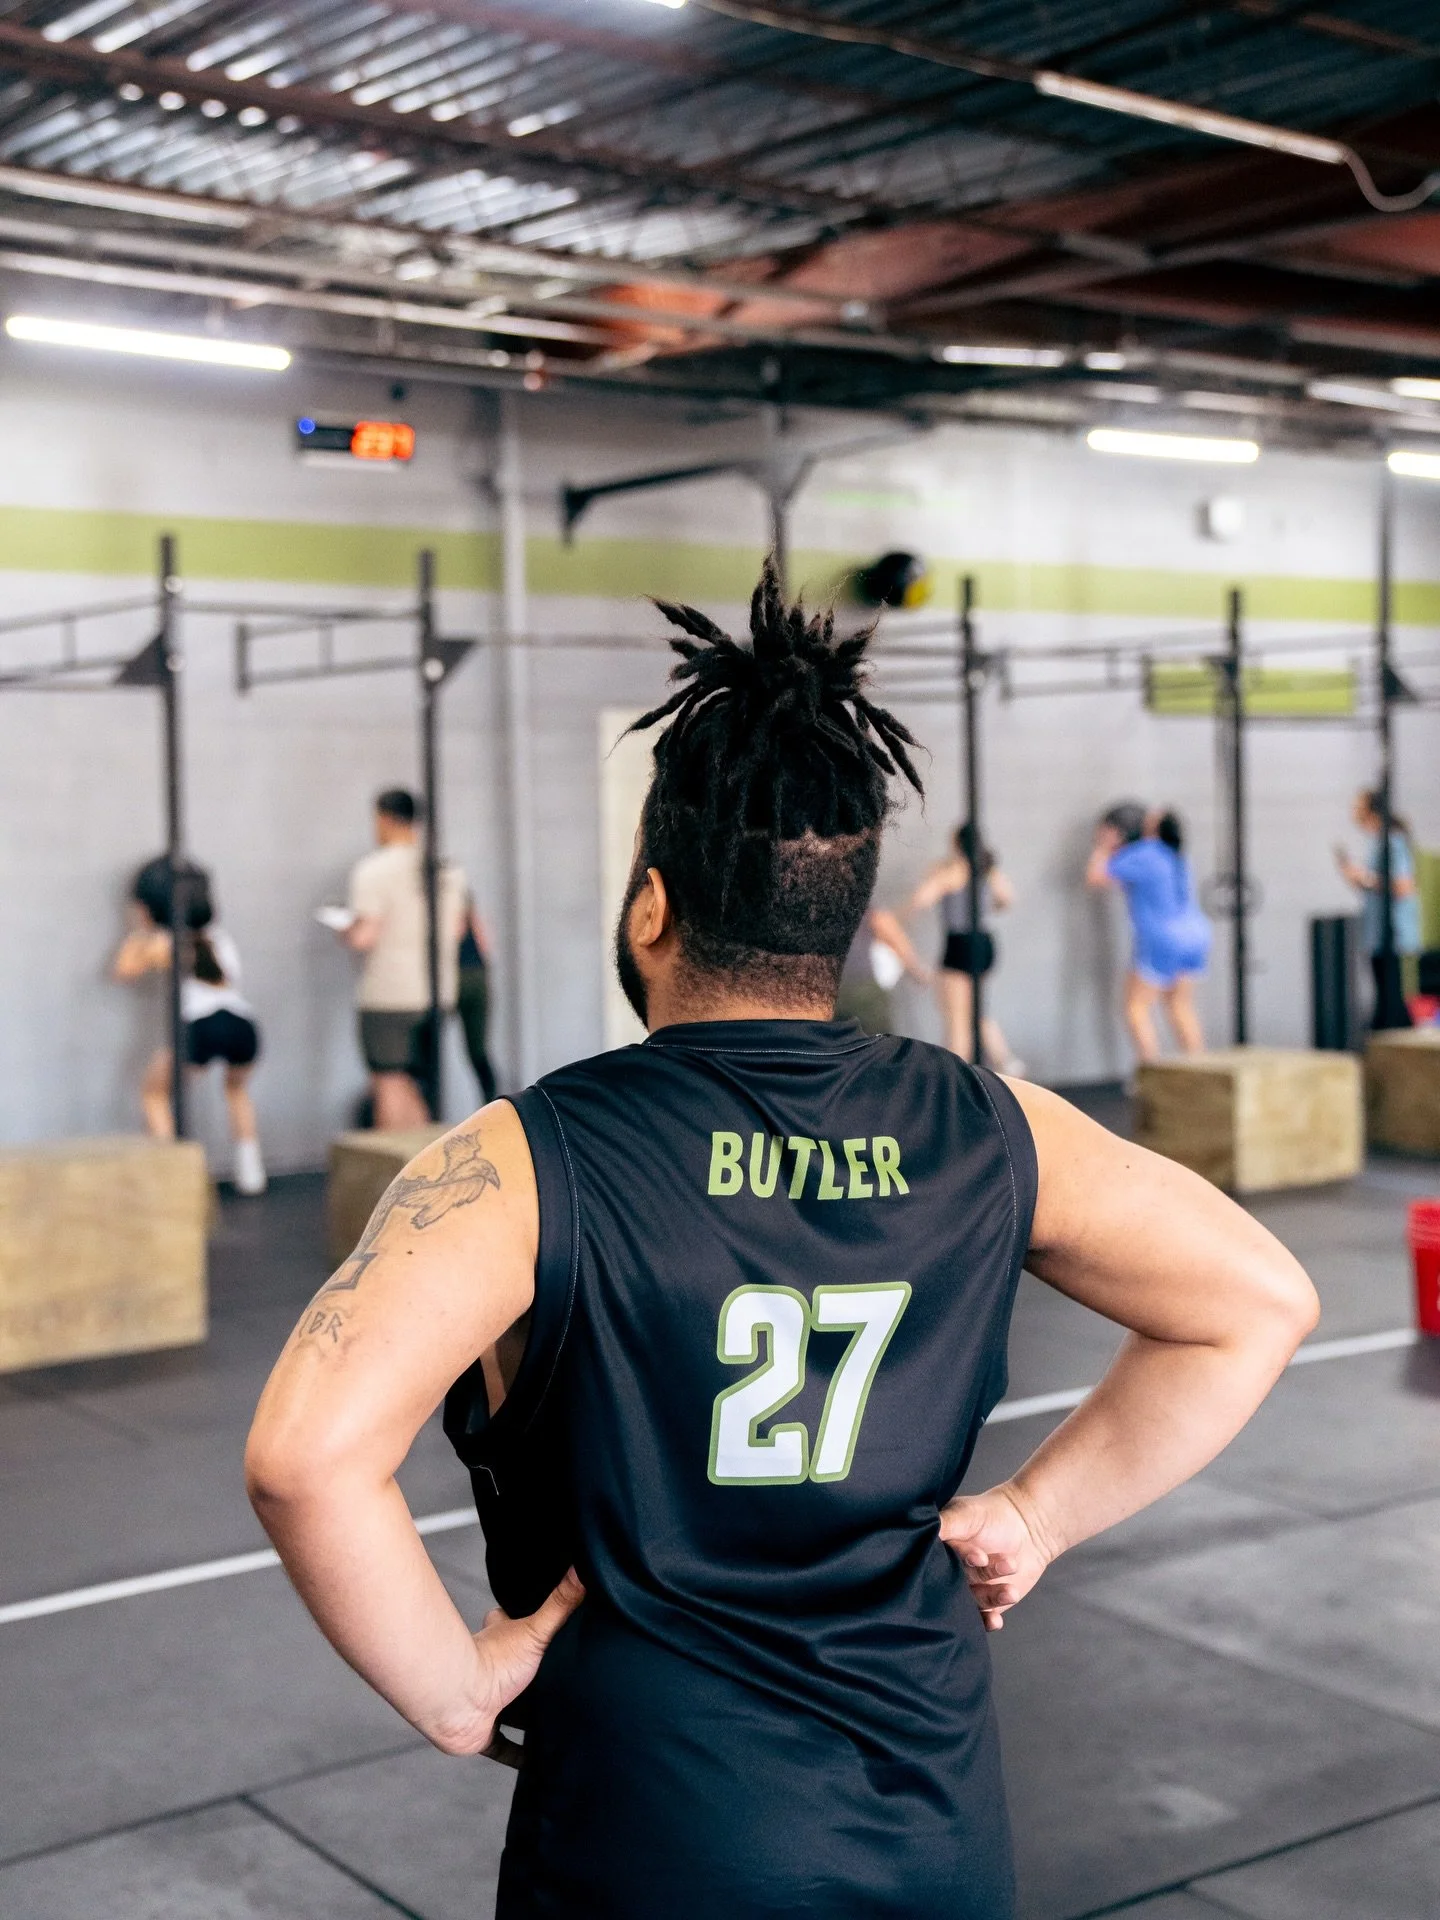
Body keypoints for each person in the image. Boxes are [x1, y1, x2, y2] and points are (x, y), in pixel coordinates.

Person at [246, 563, 1317, 1920]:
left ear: (653, 905)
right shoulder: (995, 1128)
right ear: (841, 913)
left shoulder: (521, 1160)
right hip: (931, 1835)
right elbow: (1257, 1303)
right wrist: (1034, 1518)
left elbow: (304, 1458)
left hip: (648, 1838)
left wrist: (459, 1693)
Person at [113, 856, 267, 1195]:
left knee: (154, 1094)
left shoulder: (163, 941)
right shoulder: (218, 937)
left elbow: (123, 970)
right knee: (237, 1090)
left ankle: (176, 1178)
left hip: (201, 1027)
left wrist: (140, 928)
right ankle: (251, 1172)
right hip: (243, 1025)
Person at [336, 788, 467, 1130]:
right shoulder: (447, 870)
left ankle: (394, 1176)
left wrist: (346, 930)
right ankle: (425, 1173)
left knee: (389, 1081)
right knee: (415, 1084)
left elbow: (365, 936)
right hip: (439, 992)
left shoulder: (374, 870)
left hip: (389, 993)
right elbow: (456, 931)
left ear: (383, 818)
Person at [1087, 801, 1212, 1063]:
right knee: (1180, 1006)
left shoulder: (1145, 852)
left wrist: (1104, 844)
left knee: (1135, 1007)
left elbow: (1095, 877)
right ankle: (1202, 1073)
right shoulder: (1177, 854)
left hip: (1162, 940)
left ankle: (1151, 1074)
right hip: (1195, 936)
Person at [905, 821, 1023, 1070]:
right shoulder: (988, 869)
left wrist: (905, 915)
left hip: (961, 945)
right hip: (984, 943)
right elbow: (1006, 899)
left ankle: (954, 1076)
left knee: (957, 1018)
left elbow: (921, 899)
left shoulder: (953, 871)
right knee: (976, 1011)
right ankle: (1007, 1062)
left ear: (957, 843)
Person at [1335, 787, 1420, 1026]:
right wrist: (1358, 879)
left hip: (1393, 936)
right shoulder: (1375, 842)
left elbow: (1403, 887)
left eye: (1357, 807)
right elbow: (1376, 888)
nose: (1353, 812)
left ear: (1370, 811)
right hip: (1377, 936)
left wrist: (1366, 879)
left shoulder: (1392, 840)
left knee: (1392, 1001)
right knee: (1384, 999)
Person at [834, 903, 930, 1035]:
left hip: (829, 989)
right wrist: (916, 970)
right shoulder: (862, 902)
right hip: (862, 986)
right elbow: (887, 929)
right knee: (877, 1043)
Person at [457, 894, 498, 1105]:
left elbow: (472, 932)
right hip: (475, 972)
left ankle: (491, 1101)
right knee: (478, 1051)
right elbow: (483, 940)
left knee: (478, 1050)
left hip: (466, 974)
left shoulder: (453, 891)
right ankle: (491, 1101)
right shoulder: (458, 889)